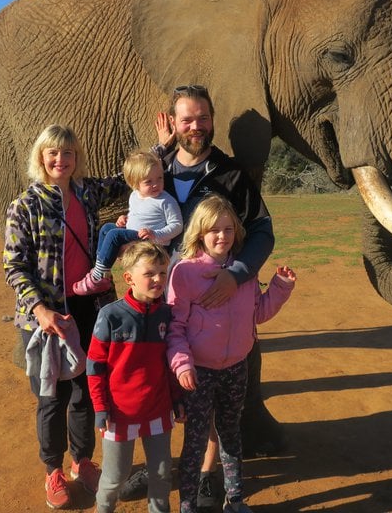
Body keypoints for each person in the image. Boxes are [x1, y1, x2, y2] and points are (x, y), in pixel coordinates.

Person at [120, 84, 280, 507]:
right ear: (173, 122)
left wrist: (239, 275)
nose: (196, 126)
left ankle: (207, 474)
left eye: (203, 117)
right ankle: (157, 466)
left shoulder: (230, 174)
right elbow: (132, 208)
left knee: (203, 392)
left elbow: (262, 230)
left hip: (209, 302)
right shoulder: (158, 170)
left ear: (212, 119)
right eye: (186, 118)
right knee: (152, 383)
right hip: (152, 298)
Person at [4, 124, 131, 509]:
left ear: (77, 159)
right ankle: (52, 471)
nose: (61, 160)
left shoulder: (86, 192)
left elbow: (127, 179)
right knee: (51, 397)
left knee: (85, 394)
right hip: (47, 316)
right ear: (41, 157)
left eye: (68, 154)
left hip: (88, 309)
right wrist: (39, 310)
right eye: (53, 153)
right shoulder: (24, 206)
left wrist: (164, 146)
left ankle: (82, 461)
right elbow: (14, 266)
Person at [167, 194, 296, 513]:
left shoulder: (245, 272)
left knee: (231, 436)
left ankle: (234, 500)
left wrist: (280, 287)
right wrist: (182, 364)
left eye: (227, 229)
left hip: (237, 368)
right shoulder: (184, 273)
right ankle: (187, 505)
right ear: (199, 233)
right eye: (213, 230)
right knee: (194, 443)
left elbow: (259, 313)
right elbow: (175, 327)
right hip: (198, 373)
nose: (221, 236)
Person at [86, 241, 185, 513]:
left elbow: (169, 363)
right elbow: (94, 366)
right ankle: (103, 508)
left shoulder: (166, 314)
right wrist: (100, 407)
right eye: (150, 273)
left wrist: (176, 400)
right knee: (115, 476)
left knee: (162, 472)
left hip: (158, 410)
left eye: (163, 273)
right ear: (129, 278)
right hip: (119, 413)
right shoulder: (110, 316)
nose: (158, 279)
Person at [73, 150, 183, 296]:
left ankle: (98, 275)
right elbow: (135, 215)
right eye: (149, 181)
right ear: (135, 184)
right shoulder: (134, 196)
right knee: (107, 228)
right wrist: (125, 220)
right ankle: (101, 269)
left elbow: (177, 225)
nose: (156, 184)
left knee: (113, 235)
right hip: (134, 234)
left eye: (160, 179)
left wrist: (155, 234)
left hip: (151, 241)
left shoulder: (165, 200)